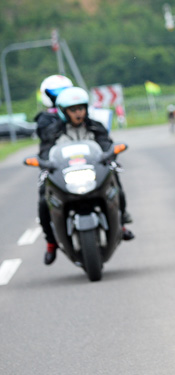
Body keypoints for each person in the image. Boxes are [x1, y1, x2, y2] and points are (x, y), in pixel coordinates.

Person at [40, 87, 135, 264]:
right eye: (73, 109)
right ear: (63, 111)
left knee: (116, 186)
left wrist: (110, 153)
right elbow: (45, 151)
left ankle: (121, 223)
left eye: (81, 108)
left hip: (93, 173)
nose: (78, 113)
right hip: (65, 175)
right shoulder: (53, 131)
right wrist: (44, 162)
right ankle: (51, 242)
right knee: (43, 201)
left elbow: (107, 145)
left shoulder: (95, 127)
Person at [34, 75, 73, 264]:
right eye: (56, 94)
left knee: (112, 175)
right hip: (55, 166)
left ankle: (121, 219)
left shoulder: (81, 112)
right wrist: (64, 117)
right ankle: (51, 241)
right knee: (43, 201)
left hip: (81, 162)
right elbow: (47, 136)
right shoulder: (45, 119)